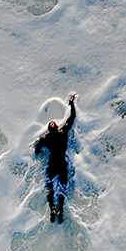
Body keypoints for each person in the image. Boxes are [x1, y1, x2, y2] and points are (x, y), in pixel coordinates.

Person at [33, 93, 76, 223]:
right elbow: (72, 117)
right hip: (62, 161)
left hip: (52, 162)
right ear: (57, 127)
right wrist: (71, 103)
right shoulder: (63, 133)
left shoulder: (46, 138)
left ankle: (52, 207)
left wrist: (37, 151)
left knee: (51, 186)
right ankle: (60, 210)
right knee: (62, 185)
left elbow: (37, 149)